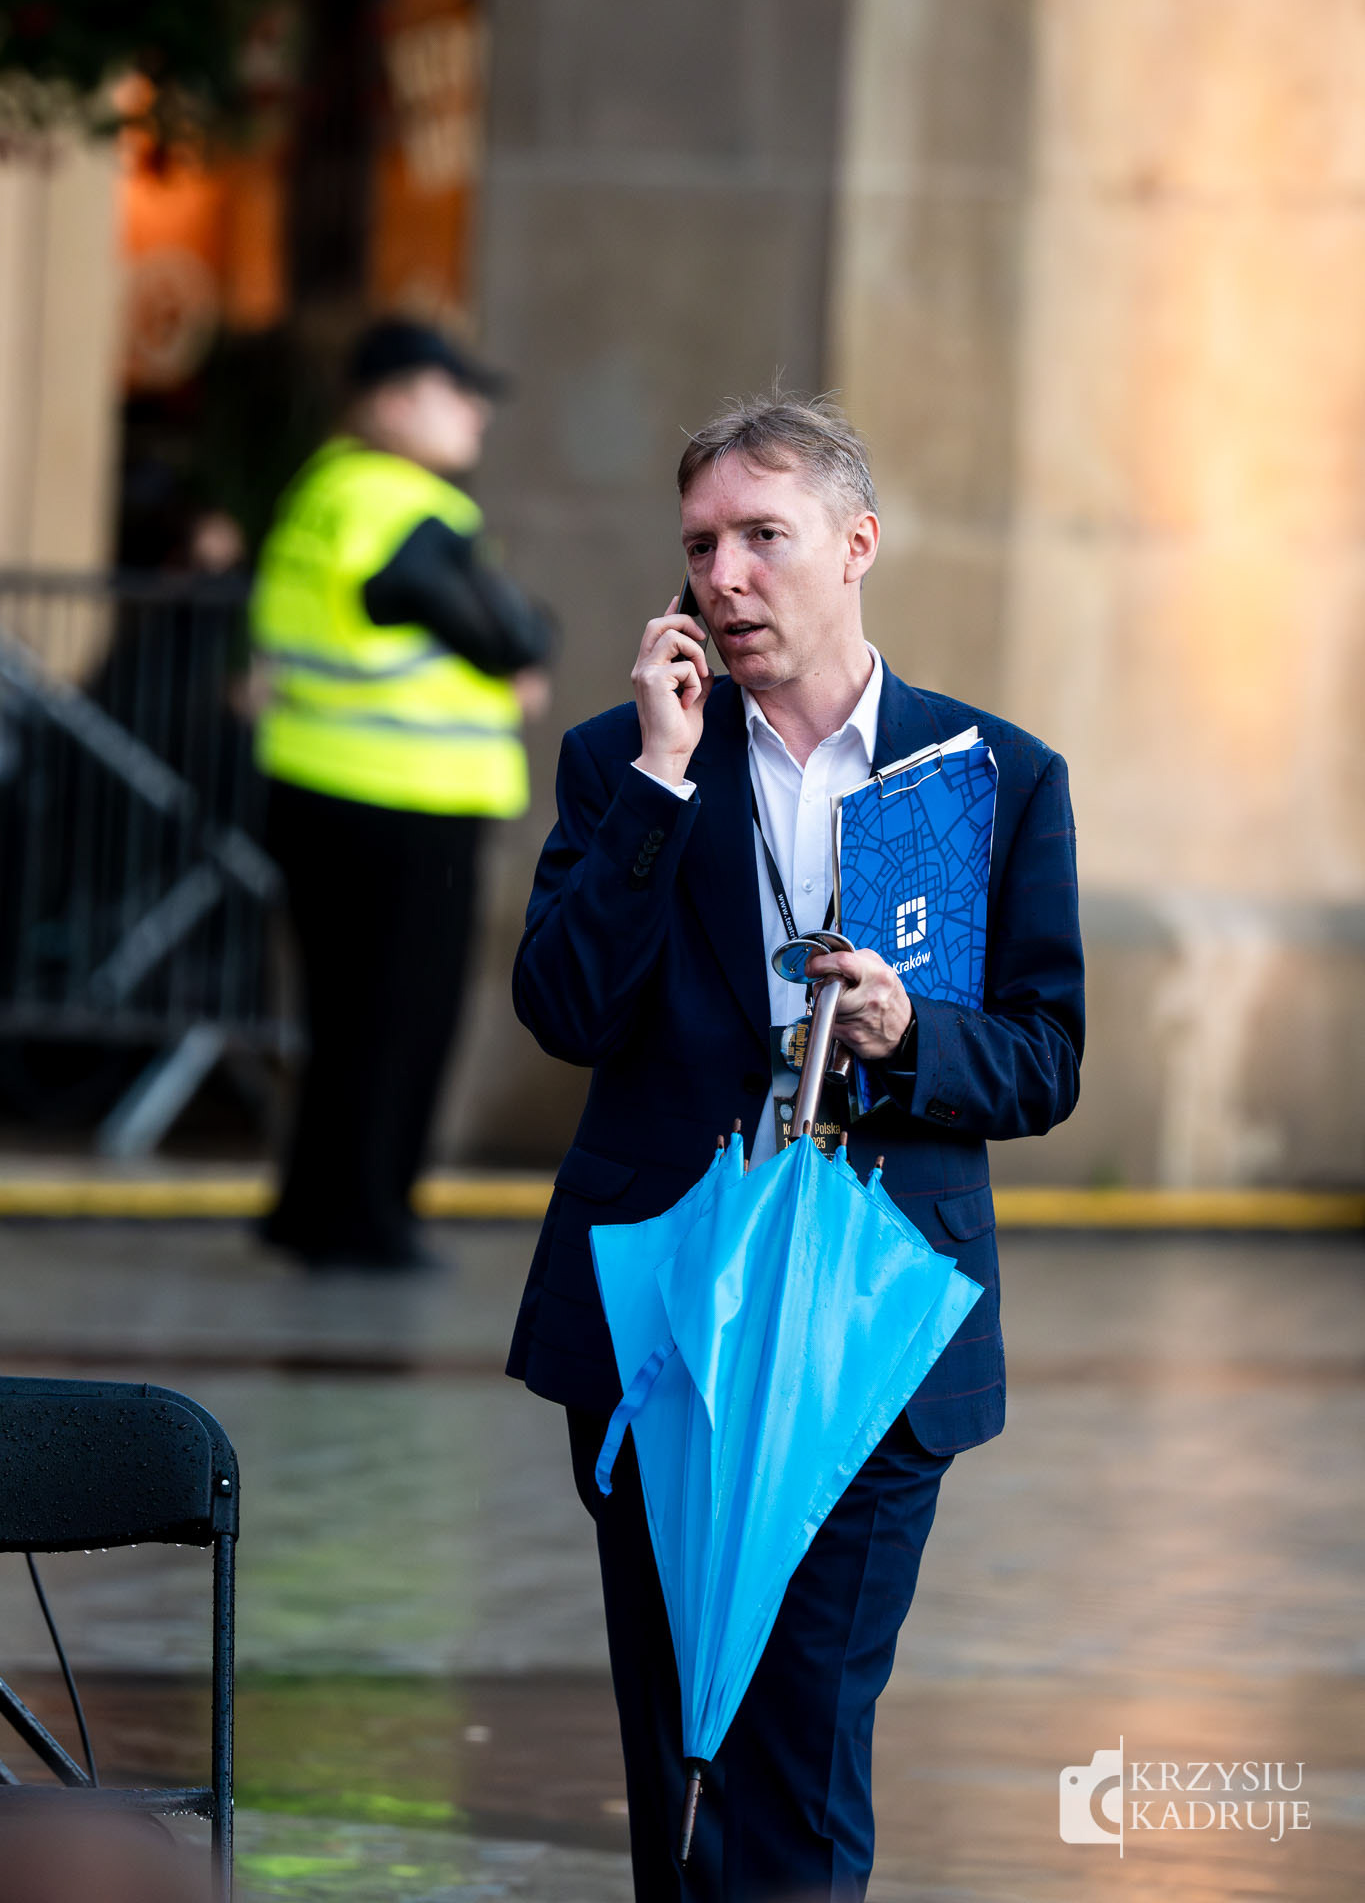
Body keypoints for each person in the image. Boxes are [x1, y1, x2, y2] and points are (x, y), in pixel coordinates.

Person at [507, 396, 1084, 1901]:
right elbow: (564, 1008)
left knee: (804, 1749)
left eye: (763, 536)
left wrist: (911, 1035)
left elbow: (1045, 1058)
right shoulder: (625, 763)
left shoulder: (990, 773)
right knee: (677, 1756)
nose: (726, 576)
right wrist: (658, 781)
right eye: (701, 544)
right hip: (663, 1306)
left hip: (877, 1312)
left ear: (856, 543)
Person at [252, 318, 553, 1270]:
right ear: (389, 401)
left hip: (312, 785)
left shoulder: (322, 492)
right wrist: (523, 650)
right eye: (452, 394)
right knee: (403, 1020)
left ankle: (309, 1209)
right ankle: (371, 1220)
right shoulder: (414, 507)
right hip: (410, 803)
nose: (475, 415)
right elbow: (509, 634)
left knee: (340, 1020)